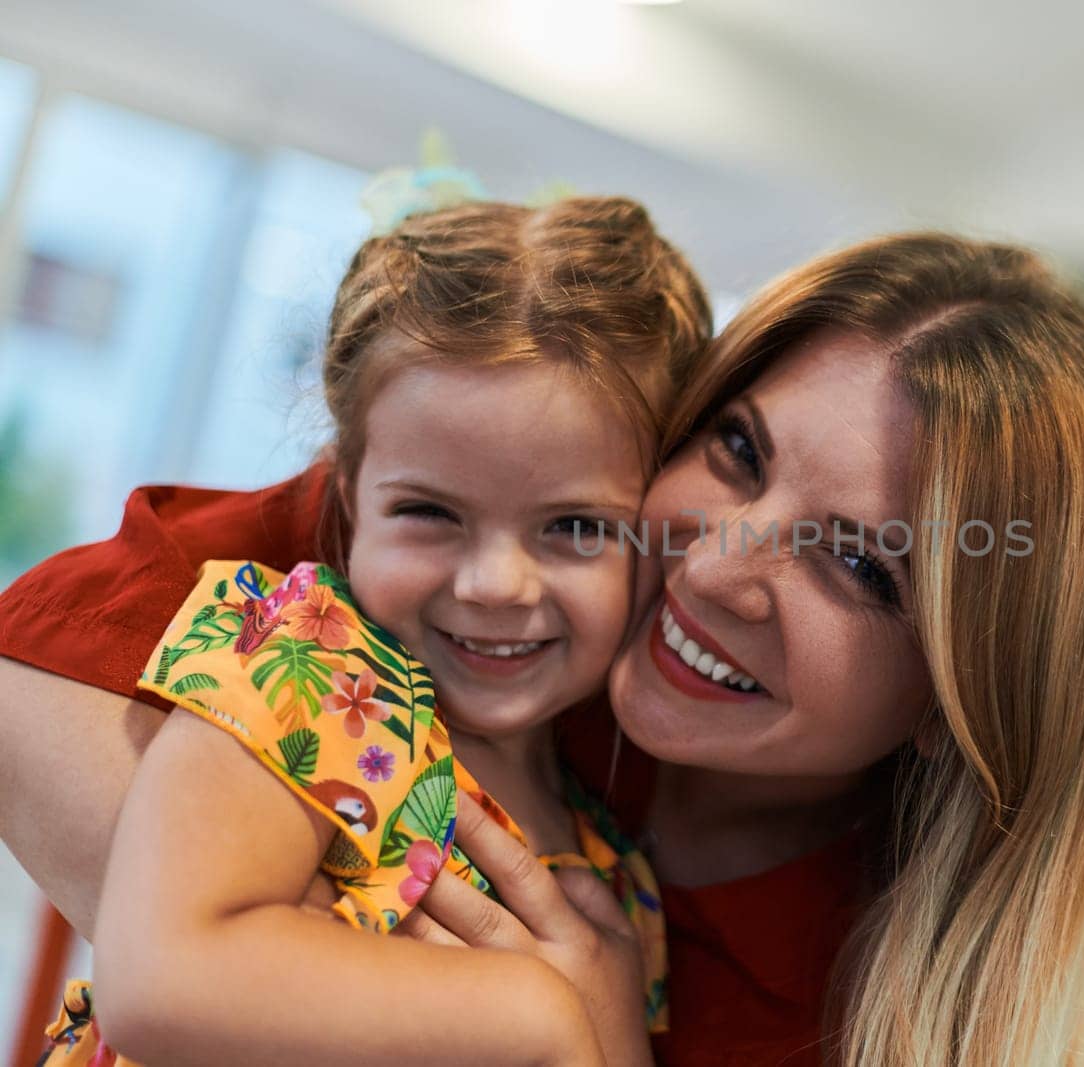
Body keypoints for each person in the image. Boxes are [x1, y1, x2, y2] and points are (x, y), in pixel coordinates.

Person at [0, 232, 1084, 1066]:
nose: (719, 564)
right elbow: (37, 658)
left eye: (860, 562)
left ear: (963, 696)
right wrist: (516, 1012)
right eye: (736, 450)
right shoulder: (481, 582)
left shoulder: (835, 999)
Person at [28, 192, 712, 1066]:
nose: (494, 583)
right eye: (429, 510)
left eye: (577, 526)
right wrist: (536, 1016)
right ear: (349, 498)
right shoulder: (310, 666)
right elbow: (161, 978)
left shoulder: (615, 867)